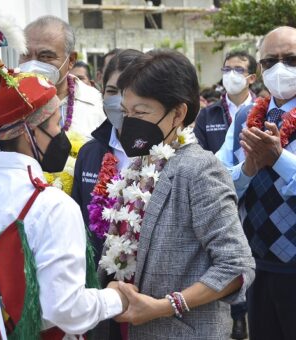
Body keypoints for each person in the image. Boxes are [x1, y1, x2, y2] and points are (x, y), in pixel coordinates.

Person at [0, 53, 128, 339]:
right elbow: (65, 308)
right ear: (29, 132)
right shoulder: (51, 205)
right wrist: (116, 298)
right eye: (57, 124)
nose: (63, 134)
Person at [96, 50, 255, 339]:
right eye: (126, 112)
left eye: (141, 112)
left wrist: (164, 306)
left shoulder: (200, 169)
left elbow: (236, 267)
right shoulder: (139, 164)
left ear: (178, 113)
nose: (129, 122)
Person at [0, 15, 106, 201]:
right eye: (26, 54)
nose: (34, 63)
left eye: (46, 56)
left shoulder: (96, 105)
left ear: (71, 60)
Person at [216, 26, 296, 340]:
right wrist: (247, 168)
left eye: (291, 59)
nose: (281, 68)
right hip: (257, 266)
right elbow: (220, 184)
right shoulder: (245, 117)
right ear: (260, 69)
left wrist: (278, 159)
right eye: (271, 61)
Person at [72, 49, 143, 267]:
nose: (120, 101)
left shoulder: (165, 153)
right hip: (97, 275)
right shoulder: (89, 153)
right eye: (112, 91)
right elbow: (79, 222)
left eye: (128, 91)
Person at [194, 50, 257, 153]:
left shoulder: (264, 110)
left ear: (252, 78)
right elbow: (199, 153)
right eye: (227, 70)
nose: (231, 75)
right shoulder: (207, 114)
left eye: (238, 70)